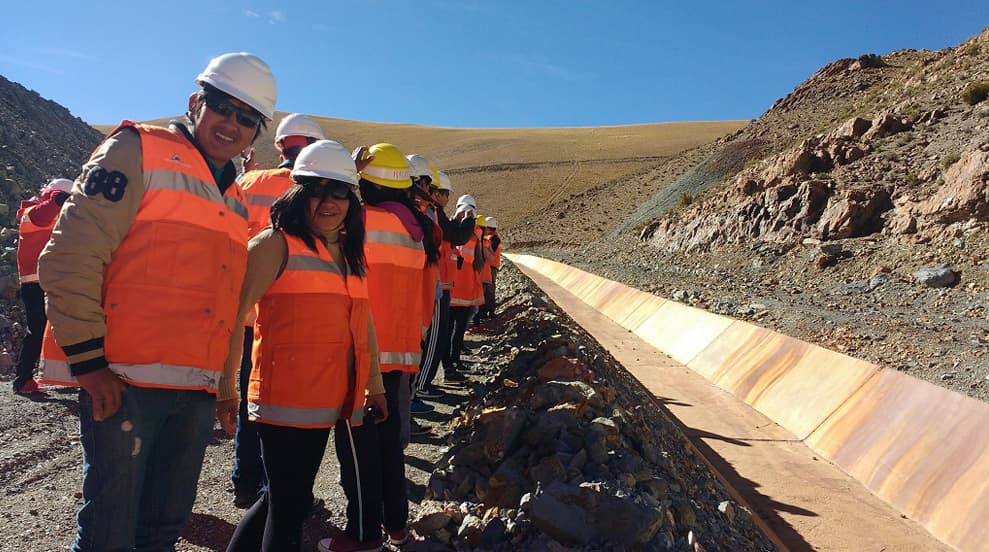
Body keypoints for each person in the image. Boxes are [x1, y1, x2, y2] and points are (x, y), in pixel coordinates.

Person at [37, 52, 276, 551]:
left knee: (163, 530)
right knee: (109, 532)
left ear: (257, 131)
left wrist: (224, 389)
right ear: (196, 102)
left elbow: (225, 302)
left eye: (246, 117)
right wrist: (89, 362)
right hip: (124, 381)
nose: (231, 123)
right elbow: (68, 257)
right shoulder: (136, 149)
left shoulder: (231, 196)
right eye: (222, 107)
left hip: (194, 390)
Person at [225, 140, 386, 552]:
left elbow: (362, 322)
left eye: (339, 193)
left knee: (282, 500)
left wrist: (375, 385)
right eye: (318, 191)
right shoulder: (273, 245)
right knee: (289, 509)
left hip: (327, 400)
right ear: (300, 194)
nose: (328, 202)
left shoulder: (348, 253)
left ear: (352, 201)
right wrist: (225, 385)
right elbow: (231, 314)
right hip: (285, 404)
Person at [319, 143, 438, 552]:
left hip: (360, 354)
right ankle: (397, 525)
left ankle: (362, 535)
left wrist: (347, 173)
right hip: (400, 355)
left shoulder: (359, 221)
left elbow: (320, 221)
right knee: (389, 449)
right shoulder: (415, 230)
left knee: (356, 455)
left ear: (363, 183)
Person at [231, 112, 326, 509]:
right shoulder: (317, 192)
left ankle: (245, 484)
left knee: (247, 401)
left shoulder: (248, 182)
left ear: (279, 146)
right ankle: (277, 495)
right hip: (289, 315)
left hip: (242, 312)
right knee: (281, 409)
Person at [12, 178, 73, 395]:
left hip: (51, 282)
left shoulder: (55, 216)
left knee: (64, 329)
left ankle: (67, 376)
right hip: (36, 285)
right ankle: (23, 380)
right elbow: (44, 213)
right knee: (37, 331)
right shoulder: (33, 214)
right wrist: (61, 199)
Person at [445, 197, 486, 379]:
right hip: (461, 289)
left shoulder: (452, 229)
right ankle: (451, 364)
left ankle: (452, 363)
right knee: (455, 329)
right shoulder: (470, 234)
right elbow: (473, 261)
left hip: (455, 288)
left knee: (452, 329)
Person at [481, 216, 502, 319]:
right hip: (489, 266)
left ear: (488, 228)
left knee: (490, 289)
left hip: (492, 267)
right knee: (487, 289)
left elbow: (490, 253)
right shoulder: (491, 237)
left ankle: (490, 311)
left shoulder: (494, 239)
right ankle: (486, 311)